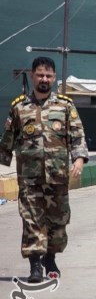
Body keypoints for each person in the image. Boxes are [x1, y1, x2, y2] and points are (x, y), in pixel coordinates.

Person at [0, 56, 89, 283]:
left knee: (58, 223)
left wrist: (79, 159)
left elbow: (77, 135)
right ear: (32, 76)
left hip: (58, 177)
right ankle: (35, 267)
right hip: (29, 178)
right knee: (32, 221)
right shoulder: (19, 107)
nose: (44, 79)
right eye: (40, 75)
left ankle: (50, 258)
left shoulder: (65, 106)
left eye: (48, 76)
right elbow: (7, 141)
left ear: (54, 77)